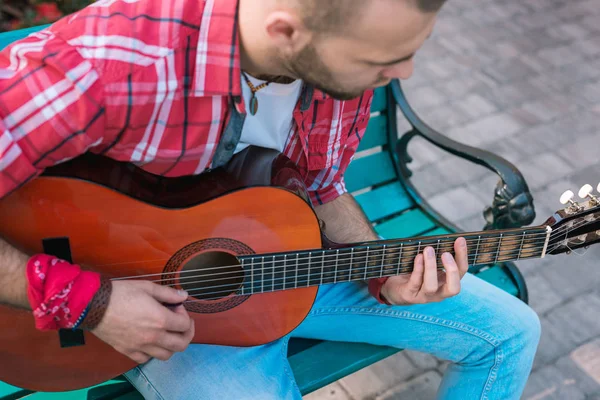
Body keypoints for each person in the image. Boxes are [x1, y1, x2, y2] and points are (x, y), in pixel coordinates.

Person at [0, 0, 541, 398]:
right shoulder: (110, 66)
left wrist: (385, 277)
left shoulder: (334, 71)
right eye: (385, 60)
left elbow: (323, 187)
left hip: (289, 268)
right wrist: (92, 303)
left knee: (512, 333)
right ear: (285, 30)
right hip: (146, 315)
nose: (404, 74)